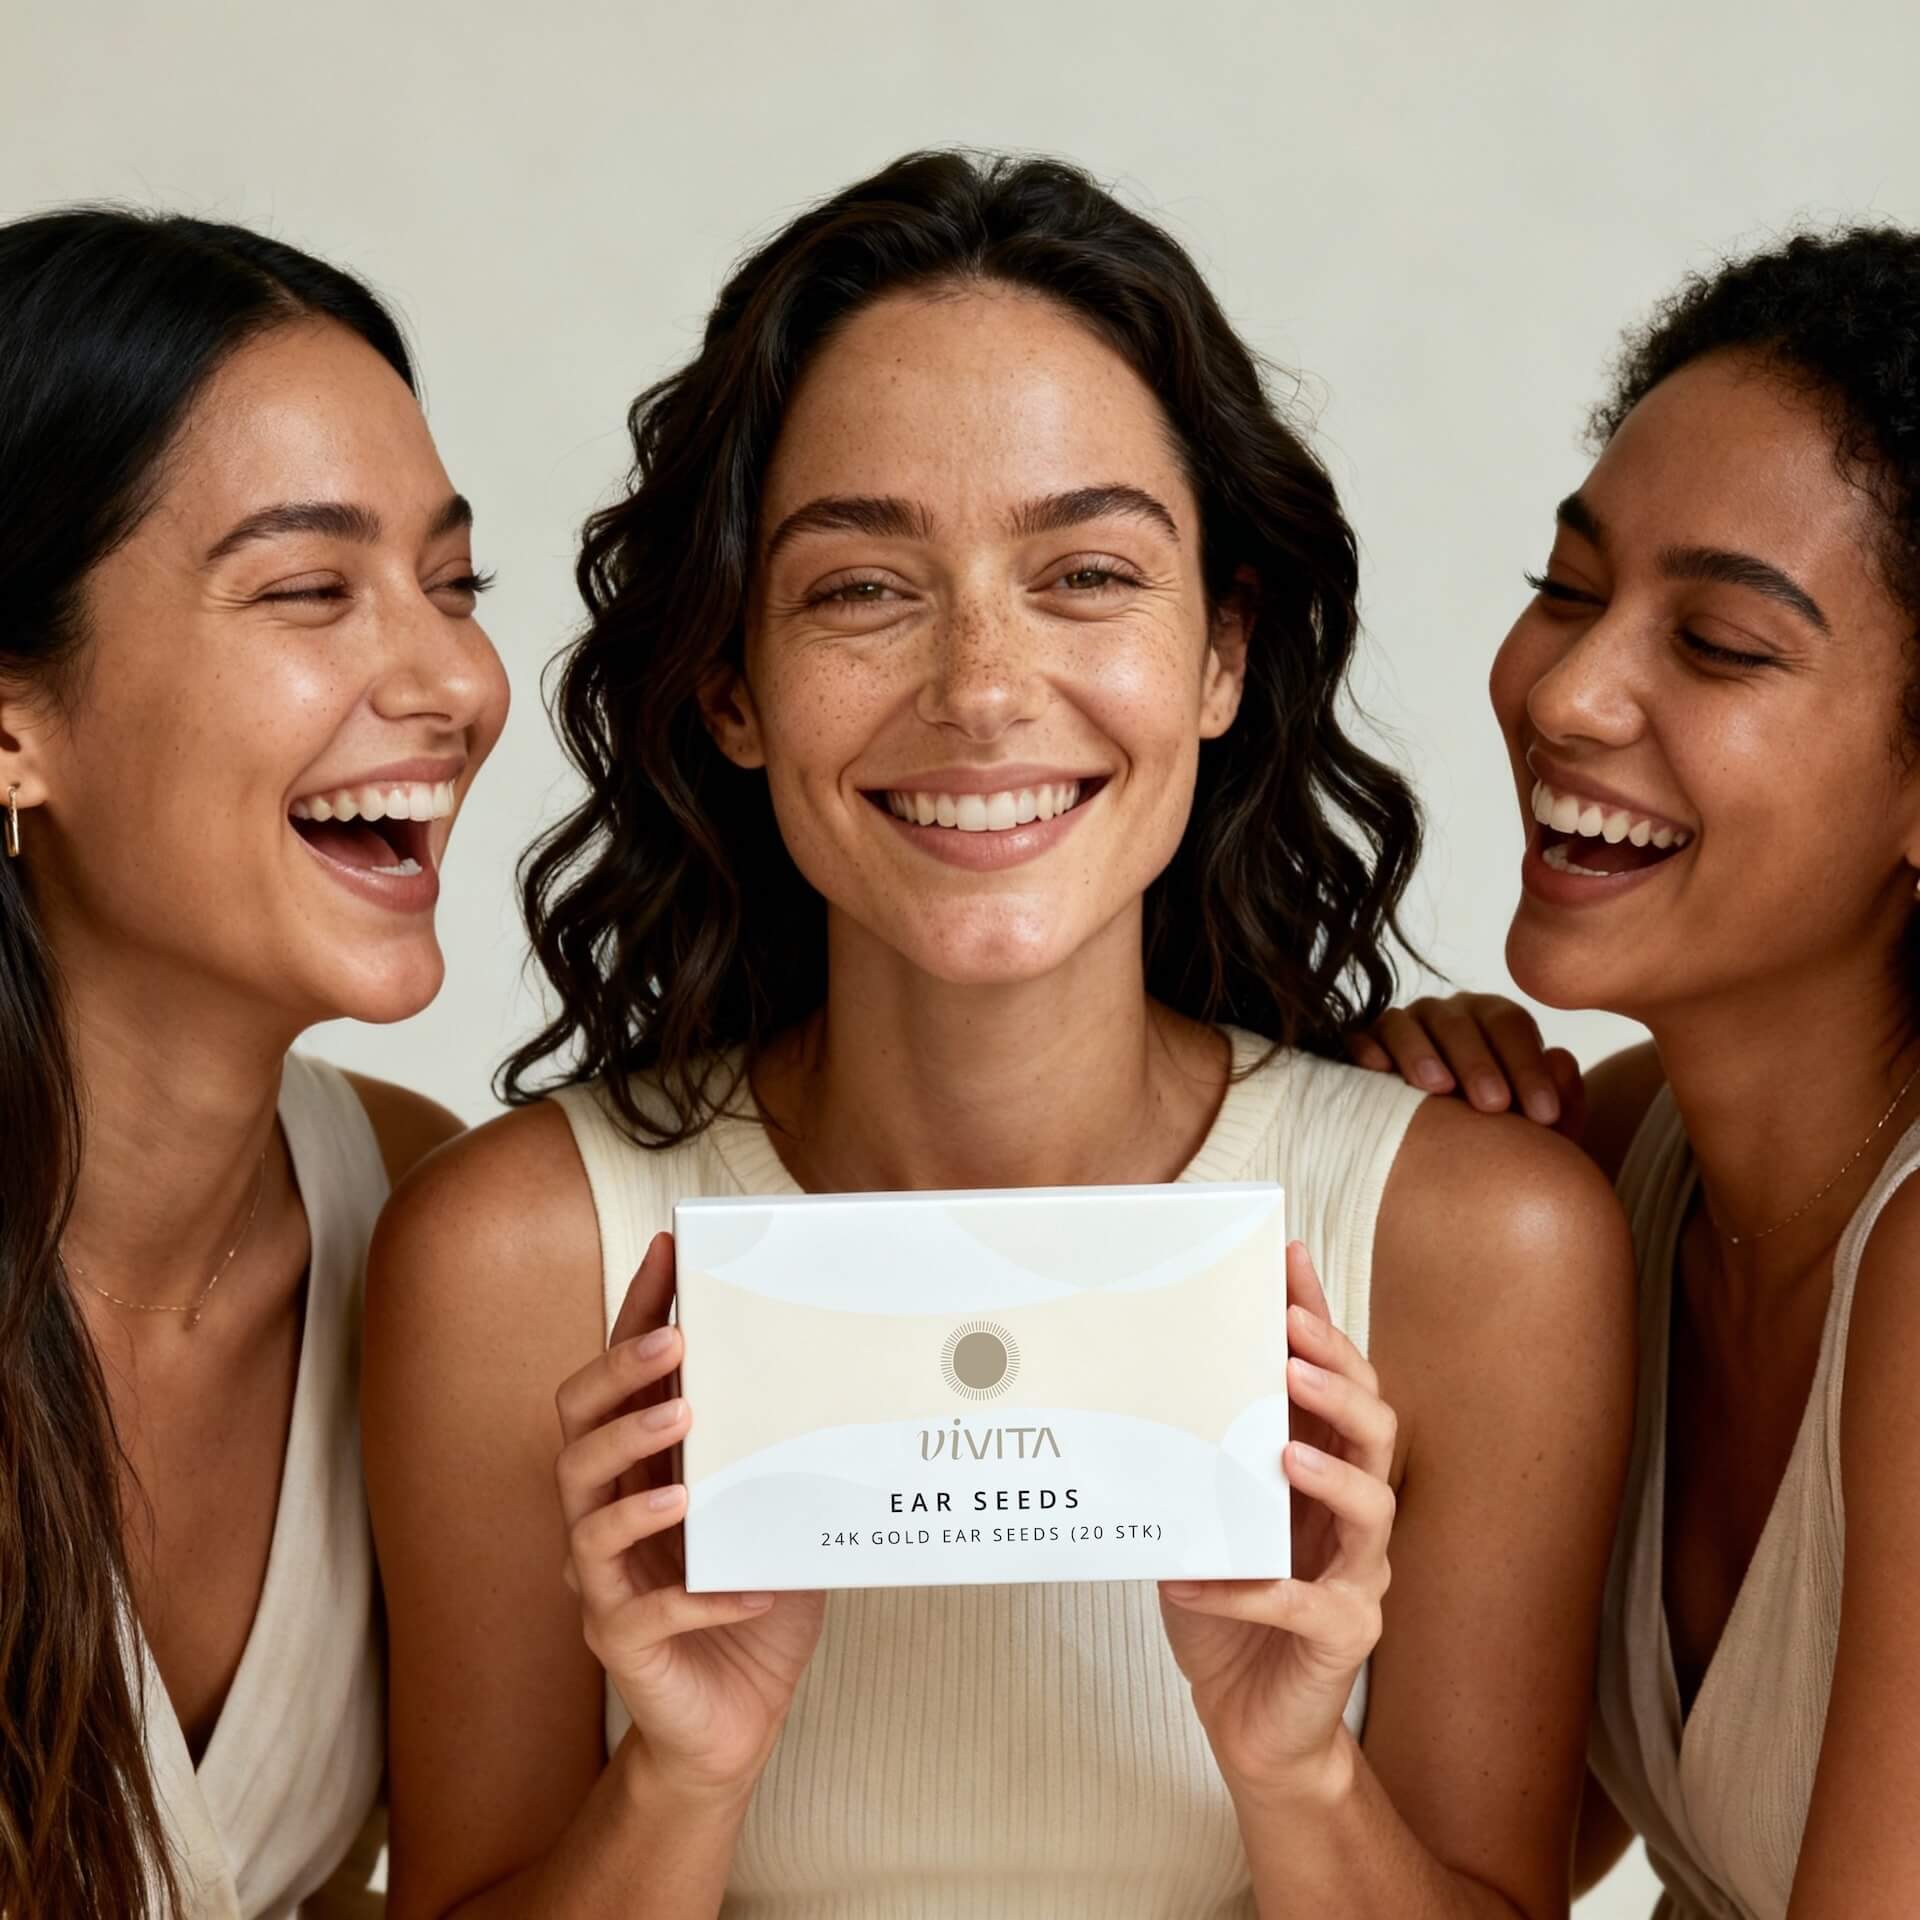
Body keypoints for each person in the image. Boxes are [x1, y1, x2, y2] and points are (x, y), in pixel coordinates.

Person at [365, 150, 1632, 1919]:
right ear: (731, 684)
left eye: (1089, 573)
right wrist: (678, 1779)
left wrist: (1298, 1771)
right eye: (862, 589)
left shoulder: (1481, 1250)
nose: (979, 687)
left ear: (1221, 656)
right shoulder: (510, 1261)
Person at [1353, 228, 1920, 1916]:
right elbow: (1509, 1859)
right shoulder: (1605, 1166)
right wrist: (1392, 1189)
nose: (1573, 694)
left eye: (1724, 647)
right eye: (1569, 588)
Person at [0, 209, 509, 1919]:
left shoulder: (418, 1209)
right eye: (310, 591)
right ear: (13, 723)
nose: (451, 677)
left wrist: (1305, 1095)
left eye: (452, 584)